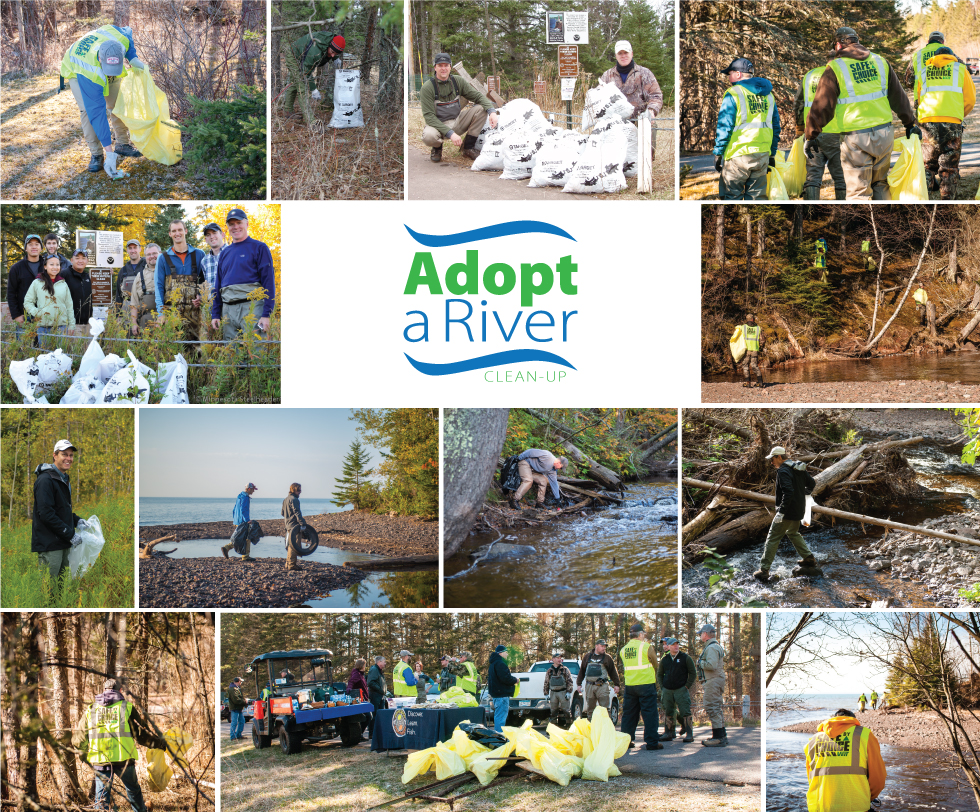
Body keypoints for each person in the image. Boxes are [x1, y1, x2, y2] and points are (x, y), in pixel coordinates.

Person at [805, 27, 918, 200]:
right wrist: (910, 124)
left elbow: (822, 106)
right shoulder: (880, 61)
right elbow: (898, 97)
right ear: (857, 41)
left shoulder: (836, 67)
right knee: (880, 184)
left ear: (838, 44)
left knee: (858, 192)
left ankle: (861, 226)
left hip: (856, 139)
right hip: (885, 134)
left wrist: (811, 135)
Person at [60, 24, 145, 173]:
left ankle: (122, 144)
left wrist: (132, 57)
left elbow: (128, 36)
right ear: (100, 59)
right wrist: (109, 153)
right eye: (108, 71)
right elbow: (97, 114)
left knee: (117, 102)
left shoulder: (121, 40)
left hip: (99, 62)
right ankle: (97, 154)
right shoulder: (89, 71)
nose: (111, 74)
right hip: (76, 70)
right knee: (87, 111)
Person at [75, 679, 161, 812]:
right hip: (124, 758)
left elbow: (79, 738)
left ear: (104, 690)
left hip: (101, 760)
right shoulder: (126, 707)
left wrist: (83, 754)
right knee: (133, 790)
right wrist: (158, 743)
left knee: (102, 796)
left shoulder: (92, 709)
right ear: (120, 691)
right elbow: (141, 734)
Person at [714, 57, 781, 201]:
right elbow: (775, 127)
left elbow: (725, 127)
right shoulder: (769, 95)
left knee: (732, 197)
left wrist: (718, 152)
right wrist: (772, 154)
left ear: (738, 74)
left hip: (738, 155)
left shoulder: (734, 93)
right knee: (757, 199)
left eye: (730, 73)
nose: (729, 77)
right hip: (762, 154)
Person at [916, 47, 974, 199]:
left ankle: (922, 203)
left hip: (927, 125)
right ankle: (947, 202)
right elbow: (970, 100)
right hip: (952, 123)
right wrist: (957, 116)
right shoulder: (960, 70)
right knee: (949, 168)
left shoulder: (923, 71)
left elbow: (919, 100)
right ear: (952, 56)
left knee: (927, 168)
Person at [210, 209, 276, 341]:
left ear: (247, 224)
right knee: (232, 355)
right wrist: (215, 314)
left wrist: (267, 314)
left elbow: (268, 282)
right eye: (231, 224)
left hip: (252, 309)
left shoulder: (259, 247)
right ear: (227, 227)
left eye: (239, 222)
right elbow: (218, 285)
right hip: (228, 311)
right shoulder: (224, 253)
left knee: (255, 351)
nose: (235, 227)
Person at [754, 446, 818, 583]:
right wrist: (805, 493)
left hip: (787, 511)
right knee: (793, 533)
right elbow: (812, 483)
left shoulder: (783, 470)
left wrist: (781, 512)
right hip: (799, 509)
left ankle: (764, 570)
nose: (771, 463)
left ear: (779, 457)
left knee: (772, 537)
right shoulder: (798, 468)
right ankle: (809, 558)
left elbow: (788, 492)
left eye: (772, 459)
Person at [421, 53, 498, 163]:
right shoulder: (428, 87)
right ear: (435, 67)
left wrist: (492, 112)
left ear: (450, 67)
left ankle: (468, 148)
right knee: (429, 136)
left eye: (446, 65)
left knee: (481, 109)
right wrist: (450, 134)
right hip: (437, 125)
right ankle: (437, 148)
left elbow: (478, 96)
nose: (443, 68)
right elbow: (429, 117)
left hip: (456, 121)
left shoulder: (458, 81)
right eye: (440, 65)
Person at [805, 709, 886, 812]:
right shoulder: (864, 735)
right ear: (853, 720)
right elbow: (878, 778)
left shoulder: (813, 740)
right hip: (855, 806)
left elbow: (810, 777)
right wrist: (869, 797)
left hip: (818, 806)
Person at [31, 439, 83, 583]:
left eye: (71, 455)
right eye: (64, 454)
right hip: (50, 544)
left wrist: (77, 521)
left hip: (63, 543)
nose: (68, 458)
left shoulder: (64, 479)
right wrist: (70, 533)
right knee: (49, 589)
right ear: (54, 455)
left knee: (61, 589)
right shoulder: (45, 480)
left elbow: (61, 510)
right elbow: (46, 513)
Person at [795, 64, 846, 200]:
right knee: (842, 177)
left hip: (813, 132)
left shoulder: (809, 75)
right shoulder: (841, 74)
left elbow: (799, 104)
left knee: (813, 176)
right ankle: (844, 212)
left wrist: (800, 129)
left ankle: (810, 210)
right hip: (838, 133)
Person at [155, 220, 208, 347]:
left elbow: (205, 283)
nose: (177, 233)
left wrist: (202, 297)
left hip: (196, 315)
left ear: (185, 231)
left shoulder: (199, 254)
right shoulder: (163, 258)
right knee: (173, 350)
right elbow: (159, 286)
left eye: (180, 230)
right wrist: (161, 313)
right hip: (172, 313)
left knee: (198, 352)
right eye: (174, 231)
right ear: (169, 234)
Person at [619, 622, 662, 750]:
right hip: (646, 684)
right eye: (644, 634)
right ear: (641, 634)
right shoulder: (646, 647)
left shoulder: (623, 650)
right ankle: (652, 742)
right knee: (650, 714)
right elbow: (655, 664)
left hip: (630, 686)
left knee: (629, 714)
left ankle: (627, 741)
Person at [599, 40, 663, 123]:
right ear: (616, 56)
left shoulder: (644, 73)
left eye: (626, 52)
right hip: (614, 125)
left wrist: (651, 110)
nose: (623, 56)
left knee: (651, 127)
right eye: (620, 53)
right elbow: (600, 98)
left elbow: (655, 95)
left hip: (640, 122)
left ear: (631, 54)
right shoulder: (607, 76)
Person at [282, 31, 345, 114]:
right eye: (333, 52)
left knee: (294, 83)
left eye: (336, 53)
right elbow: (306, 70)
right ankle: (310, 121)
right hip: (293, 55)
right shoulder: (315, 51)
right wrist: (313, 89)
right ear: (329, 45)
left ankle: (287, 111)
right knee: (301, 87)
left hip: (302, 55)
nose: (333, 55)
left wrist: (335, 58)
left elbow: (333, 49)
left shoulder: (329, 41)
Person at [23, 256, 76, 345]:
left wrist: (71, 325)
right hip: (43, 328)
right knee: (45, 356)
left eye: (57, 264)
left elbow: (69, 306)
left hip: (61, 327)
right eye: (51, 264)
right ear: (45, 266)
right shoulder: (37, 282)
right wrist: (37, 312)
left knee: (60, 355)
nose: (55, 267)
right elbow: (27, 302)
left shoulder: (63, 284)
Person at [658, 637, 697, 743]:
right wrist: (663, 687)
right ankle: (668, 733)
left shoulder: (685, 657)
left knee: (685, 711)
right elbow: (660, 674)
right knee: (669, 711)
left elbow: (693, 673)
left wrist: (687, 686)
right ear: (669, 646)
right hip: (667, 690)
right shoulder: (665, 659)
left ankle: (689, 734)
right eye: (673, 644)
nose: (676, 646)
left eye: (677, 644)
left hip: (681, 689)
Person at [697, 624, 728, 747]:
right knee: (716, 707)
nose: (700, 636)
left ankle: (718, 738)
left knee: (712, 707)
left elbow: (711, 665)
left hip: (713, 681)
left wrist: (700, 662)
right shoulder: (715, 646)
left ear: (705, 634)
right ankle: (721, 735)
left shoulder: (711, 648)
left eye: (700, 634)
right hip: (715, 680)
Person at [7, 234, 44, 335]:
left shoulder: (47, 267)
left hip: (44, 317)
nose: (34, 247)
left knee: (43, 349)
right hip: (23, 317)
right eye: (30, 244)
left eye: (37, 244)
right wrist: (16, 315)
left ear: (41, 247)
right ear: (25, 248)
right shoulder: (16, 268)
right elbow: (11, 294)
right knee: (23, 348)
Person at [576, 639, 621, 722]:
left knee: (604, 709)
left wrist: (616, 684)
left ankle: (605, 730)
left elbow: (613, 672)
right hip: (589, 686)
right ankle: (591, 730)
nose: (604, 648)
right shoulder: (587, 657)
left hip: (602, 686)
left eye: (605, 647)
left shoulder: (607, 658)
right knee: (590, 710)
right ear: (596, 646)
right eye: (602, 646)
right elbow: (582, 671)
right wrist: (579, 684)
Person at [128, 243, 161, 335]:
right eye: (148, 254)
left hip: (165, 320)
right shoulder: (139, 276)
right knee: (145, 348)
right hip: (145, 321)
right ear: (145, 257)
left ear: (160, 253)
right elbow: (134, 302)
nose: (152, 256)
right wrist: (134, 323)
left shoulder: (168, 272)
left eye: (154, 253)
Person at [221, 483, 257, 562]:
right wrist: (247, 520)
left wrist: (235, 519)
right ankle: (245, 556)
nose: (254, 491)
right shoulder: (245, 497)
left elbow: (234, 509)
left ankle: (227, 548)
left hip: (237, 520)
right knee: (246, 538)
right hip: (243, 521)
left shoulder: (240, 496)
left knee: (239, 538)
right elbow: (243, 509)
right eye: (253, 489)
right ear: (248, 489)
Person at [487, 644, 518, 733]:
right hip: (502, 695)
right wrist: (515, 680)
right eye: (506, 652)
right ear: (501, 653)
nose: (507, 654)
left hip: (497, 695)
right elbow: (505, 678)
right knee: (501, 717)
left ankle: (497, 735)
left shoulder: (493, 664)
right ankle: (499, 737)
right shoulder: (500, 663)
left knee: (498, 716)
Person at [731, 313, 765, 388]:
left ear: (747, 319)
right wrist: (761, 348)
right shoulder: (758, 328)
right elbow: (762, 340)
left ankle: (748, 383)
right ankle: (760, 383)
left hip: (746, 350)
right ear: (753, 319)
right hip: (755, 350)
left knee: (745, 365)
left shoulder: (743, 327)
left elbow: (737, 337)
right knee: (754, 366)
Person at [64, 248, 93, 329]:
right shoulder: (64, 275)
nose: (80, 261)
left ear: (87, 261)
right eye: (77, 258)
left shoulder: (87, 277)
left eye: (83, 258)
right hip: (70, 325)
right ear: (72, 260)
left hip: (87, 324)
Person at [281, 482, 306, 572]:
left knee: (290, 544)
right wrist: (302, 523)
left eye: (300, 490)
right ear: (294, 490)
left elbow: (282, 513)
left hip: (287, 524)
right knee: (294, 544)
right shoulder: (294, 500)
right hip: (294, 525)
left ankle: (288, 563)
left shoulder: (286, 499)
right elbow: (297, 513)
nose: (300, 492)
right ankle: (292, 565)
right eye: (298, 490)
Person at [545, 652, 574, 727]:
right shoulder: (549, 671)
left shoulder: (565, 670)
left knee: (566, 710)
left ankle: (569, 726)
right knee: (553, 711)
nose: (559, 659)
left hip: (563, 692)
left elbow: (569, 681)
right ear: (553, 659)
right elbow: (546, 682)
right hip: (553, 693)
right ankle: (553, 728)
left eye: (560, 658)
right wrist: (546, 693)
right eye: (557, 658)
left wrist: (568, 692)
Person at [116, 239, 144, 311]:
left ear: (140, 249)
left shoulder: (147, 267)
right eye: (130, 248)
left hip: (144, 306)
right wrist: (118, 314)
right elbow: (118, 295)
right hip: (127, 308)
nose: (132, 251)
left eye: (135, 247)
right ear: (127, 250)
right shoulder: (123, 270)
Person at [348, 658, 372, 737]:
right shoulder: (357, 674)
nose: (365, 666)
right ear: (362, 665)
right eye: (365, 665)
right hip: (359, 700)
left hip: (363, 699)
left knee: (366, 717)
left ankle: (359, 734)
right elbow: (351, 682)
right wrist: (349, 689)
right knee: (368, 716)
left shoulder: (360, 674)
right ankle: (359, 733)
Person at [201, 222, 225, 293]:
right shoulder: (204, 261)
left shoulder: (232, 253)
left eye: (214, 233)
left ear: (222, 235)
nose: (212, 237)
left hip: (229, 301)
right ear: (206, 240)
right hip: (211, 303)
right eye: (208, 235)